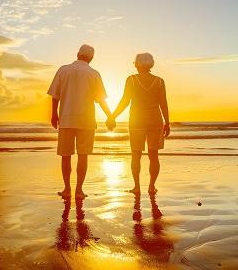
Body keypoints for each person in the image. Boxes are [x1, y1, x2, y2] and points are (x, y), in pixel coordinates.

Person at [48, 44, 112, 199]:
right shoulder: (94, 74)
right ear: (91, 58)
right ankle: (79, 191)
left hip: (67, 118)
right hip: (87, 120)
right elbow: (101, 99)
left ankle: (67, 189)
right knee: (83, 155)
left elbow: (55, 95)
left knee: (66, 155)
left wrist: (54, 114)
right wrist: (110, 116)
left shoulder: (63, 70)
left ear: (77, 54)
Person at [107, 52, 170, 194]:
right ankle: (152, 186)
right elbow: (163, 104)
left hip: (137, 121)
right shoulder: (159, 81)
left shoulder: (132, 80)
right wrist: (167, 123)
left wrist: (112, 116)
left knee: (136, 155)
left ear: (138, 64)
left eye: (135, 63)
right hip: (156, 121)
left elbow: (125, 101)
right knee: (153, 156)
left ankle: (137, 187)